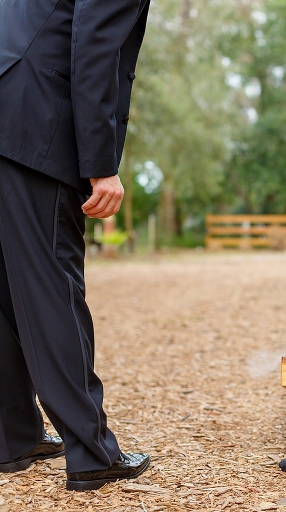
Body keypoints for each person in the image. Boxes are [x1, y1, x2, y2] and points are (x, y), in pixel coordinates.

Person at [0, 0, 151, 490]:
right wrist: (100, 164)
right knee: (52, 284)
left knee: (4, 286)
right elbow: (93, 48)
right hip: (33, 120)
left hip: (8, 100)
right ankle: (91, 452)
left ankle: (13, 436)